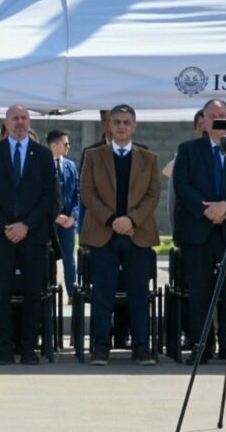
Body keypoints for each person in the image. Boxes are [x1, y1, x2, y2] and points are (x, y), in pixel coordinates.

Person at [80, 104, 160, 366]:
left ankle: (141, 349)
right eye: (117, 122)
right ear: (109, 126)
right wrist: (113, 220)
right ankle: (100, 348)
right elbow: (87, 193)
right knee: (103, 293)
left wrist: (131, 219)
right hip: (105, 233)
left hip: (138, 233)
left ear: (134, 126)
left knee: (139, 293)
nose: (122, 126)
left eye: (127, 122)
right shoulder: (93, 156)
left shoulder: (149, 158)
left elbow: (153, 194)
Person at [0, 104, 56, 365]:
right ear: (6, 122)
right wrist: (6, 226)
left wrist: (26, 226)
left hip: (33, 237)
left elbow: (49, 197)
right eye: (15, 118)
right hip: (2, 237)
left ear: (29, 121)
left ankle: (29, 348)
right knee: (1, 293)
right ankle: (5, 348)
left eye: (24, 118)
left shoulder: (43, 156)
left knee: (34, 292)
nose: (20, 122)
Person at [173, 99, 226, 366]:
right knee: (200, 293)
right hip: (199, 231)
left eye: (223, 115)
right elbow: (182, 185)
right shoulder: (188, 150)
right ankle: (201, 346)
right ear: (203, 121)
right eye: (213, 116)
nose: (218, 119)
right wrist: (206, 210)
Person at [47, 129, 80, 300]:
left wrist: (73, 216)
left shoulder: (71, 165)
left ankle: (72, 294)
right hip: (49, 222)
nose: (68, 146)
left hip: (68, 222)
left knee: (70, 258)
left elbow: (77, 193)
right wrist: (54, 216)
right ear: (54, 145)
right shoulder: (42, 165)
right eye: (65, 143)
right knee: (49, 257)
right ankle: (49, 293)